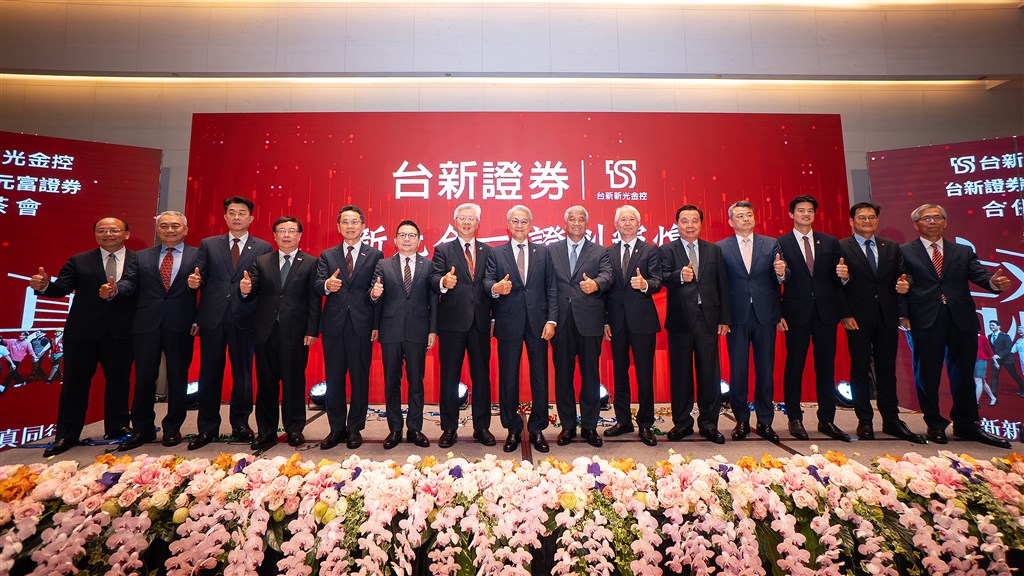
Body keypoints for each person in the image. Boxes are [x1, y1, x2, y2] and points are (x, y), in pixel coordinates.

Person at [898, 203, 1011, 448]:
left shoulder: (962, 251)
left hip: (961, 319)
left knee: (964, 373)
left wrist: (993, 283)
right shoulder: (904, 251)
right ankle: (935, 424)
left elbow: (981, 276)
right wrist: (903, 316)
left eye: (938, 217)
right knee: (927, 373)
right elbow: (899, 286)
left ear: (946, 222)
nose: (932, 222)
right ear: (916, 224)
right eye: (926, 218)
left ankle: (967, 423)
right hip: (924, 319)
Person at [29, 217, 138, 457]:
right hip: (83, 333)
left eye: (114, 229)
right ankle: (67, 433)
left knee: (119, 381)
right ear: (95, 234)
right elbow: (62, 288)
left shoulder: (138, 260)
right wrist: (45, 286)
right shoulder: (79, 260)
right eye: (102, 230)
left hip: (121, 332)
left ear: (127, 234)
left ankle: (117, 427)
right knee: (75, 384)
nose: (108, 234)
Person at [836, 202, 925, 443]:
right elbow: (836, 284)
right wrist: (844, 314)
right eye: (862, 218)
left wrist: (906, 284)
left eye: (871, 217)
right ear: (852, 221)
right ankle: (864, 420)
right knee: (860, 368)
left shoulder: (891, 247)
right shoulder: (841, 246)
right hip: (857, 318)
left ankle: (892, 419)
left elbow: (904, 275)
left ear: (877, 221)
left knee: (887, 370)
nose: (867, 221)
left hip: (886, 315)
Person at [189, 197, 273, 450]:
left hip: (245, 317)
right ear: (225, 217)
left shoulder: (263, 246)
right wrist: (194, 283)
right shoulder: (209, 244)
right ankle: (207, 427)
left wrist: (250, 289)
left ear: (251, 218)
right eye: (232, 213)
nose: (237, 217)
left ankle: (240, 423)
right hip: (213, 318)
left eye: (242, 213)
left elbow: (265, 283)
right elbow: (198, 276)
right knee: (209, 373)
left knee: (244, 374)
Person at [119, 211, 200, 451]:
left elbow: (210, 289)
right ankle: (142, 428)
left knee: (178, 377)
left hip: (182, 324)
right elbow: (129, 283)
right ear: (158, 230)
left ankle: (173, 428)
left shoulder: (199, 255)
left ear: (185, 229)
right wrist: (115, 290)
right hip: (146, 324)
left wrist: (199, 317)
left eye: (175, 226)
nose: (170, 230)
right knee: (144, 377)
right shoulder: (141, 257)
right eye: (164, 226)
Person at [240, 216, 322, 451]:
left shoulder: (310, 262)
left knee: (294, 382)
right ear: (274, 235)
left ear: (299, 236)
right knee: (266, 384)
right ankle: (266, 431)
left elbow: (314, 300)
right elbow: (252, 290)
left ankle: (294, 429)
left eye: (291, 231)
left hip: (296, 333)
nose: (286, 235)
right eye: (282, 231)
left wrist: (312, 329)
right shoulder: (262, 261)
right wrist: (245, 290)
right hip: (265, 332)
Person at [776, 195, 851, 442]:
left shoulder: (829, 242)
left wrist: (844, 277)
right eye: (800, 210)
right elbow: (776, 280)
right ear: (791, 214)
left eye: (810, 210)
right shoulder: (781, 242)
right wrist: (778, 314)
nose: (805, 214)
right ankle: (794, 418)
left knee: (825, 368)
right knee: (794, 366)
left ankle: (826, 419)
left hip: (825, 314)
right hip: (795, 314)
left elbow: (838, 279)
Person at [484, 204, 557, 454]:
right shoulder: (496, 253)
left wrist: (552, 320)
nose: (519, 225)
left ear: (530, 225)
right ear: (508, 224)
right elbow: (487, 281)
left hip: (538, 323)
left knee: (540, 377)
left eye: (524, 221)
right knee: (509, 378)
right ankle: (513, 428)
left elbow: (551, 288)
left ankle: (537, 428)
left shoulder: (543, 252)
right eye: (514, 221)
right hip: (508, 321)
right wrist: (496, 289)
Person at [660, 205, 731, 444]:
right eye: (684, 221)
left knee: (709, 373)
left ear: (701, 224)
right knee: (680, 374)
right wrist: (679, 276)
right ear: (677, 224)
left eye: (694, 221)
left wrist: (724, 318)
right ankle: (682, 423)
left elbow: (723, 285)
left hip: (708, 319)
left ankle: (709, 423)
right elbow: (660, 279)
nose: (689, 225)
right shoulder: (667, 250)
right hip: (680, 319)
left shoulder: (713, 250)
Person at [717, 200, 788, 442]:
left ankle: (766, 421)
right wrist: (723, 318)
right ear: (730, 222)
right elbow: (720, 286)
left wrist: (781, 272)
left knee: (765, 370)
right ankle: (741, 420)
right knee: (738, 371)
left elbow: (782, 275)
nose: (745, 219)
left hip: (765, 315)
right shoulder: (721, 248)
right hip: (736, 317)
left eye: (749, 215)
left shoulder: (770, 244)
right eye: (740, 216)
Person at [315, 205, 383, 450]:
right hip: (334, 325)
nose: (350, 226)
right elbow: (318, 284)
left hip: (361, 326)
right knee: (334, 380)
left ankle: (355, 428)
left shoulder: (374, 255)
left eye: (355, 222)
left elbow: (377, 291)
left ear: (363, 226)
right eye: (346, 222)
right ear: (338, 227)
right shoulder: (328, 255)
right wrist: (326, 285)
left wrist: (376, 324)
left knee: (359, 379)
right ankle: (336, 429)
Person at [429, 203, 495, 448]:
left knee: (481, 377)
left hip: (479, 323)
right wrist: (444, 281)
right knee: (449, 377)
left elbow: (493, 284)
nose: (467, 223)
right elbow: (433, 279)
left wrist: (493, 319)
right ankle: (448, 428)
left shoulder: (488, 251)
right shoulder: (443, 250)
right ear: (455, 221)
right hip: (452, 324)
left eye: (471, 219)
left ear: (478, 223)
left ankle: (482, 427)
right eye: (462, 218)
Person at [370, 220, 436, 450]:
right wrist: (374, 293)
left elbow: (433, 301)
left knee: (416, 381)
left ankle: (415, 428)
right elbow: (374, 293)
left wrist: (433, 329)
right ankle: (395, 428)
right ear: (395, 239)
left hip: (418, 330)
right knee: (391, 382)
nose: (407, 239)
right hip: (390, 330)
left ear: (419, 240)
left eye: (412, 235)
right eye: (402, 235)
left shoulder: (428, 265)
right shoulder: (383, 264)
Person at [549, 206, 612, 449]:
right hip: (561, 322)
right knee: (563, 376)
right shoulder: (551, 250)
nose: (576, 222)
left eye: (581, 219)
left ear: (587, 223)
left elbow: (609, 276)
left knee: (590, 376)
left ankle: (589, 426)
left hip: (589, 322)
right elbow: (548, 285)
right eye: (572, 219)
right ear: (565, 223)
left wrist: (595, 284)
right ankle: (567, 426)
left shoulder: (599, 251)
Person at [603, 205, 663, 446]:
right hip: (616, 322)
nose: (627, 223)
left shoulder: (650, 250)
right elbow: (605, 290)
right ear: (616, 225)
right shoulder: (607, 252)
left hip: (643, 322)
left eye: (631, 219)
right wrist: (605, 320)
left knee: (644, 373)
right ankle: (623, 420)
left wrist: (645, 284)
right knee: (620, 373)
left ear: (639, 224)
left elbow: (658, 281)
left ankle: (646, 423)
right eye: (623, 219)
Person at [987, 319, 1023, 404]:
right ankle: (994, 396)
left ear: (998, 326)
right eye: (990, 325)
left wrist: (999, 355)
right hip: (996, 360)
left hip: (1007, 359)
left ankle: (1022, 388)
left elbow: (1008, 348)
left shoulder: (1005, 336)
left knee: (1014, 375)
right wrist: (993, 357)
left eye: (993, 325)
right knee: (994, 377)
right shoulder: (989, 336)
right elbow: (990, 348)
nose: (991, 327)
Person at [975, 332, 997, 405]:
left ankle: (976, 402)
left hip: (980, 361)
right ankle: (993, 397)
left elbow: (989, 350)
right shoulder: (966, 338)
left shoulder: (982, 338)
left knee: (978, 380)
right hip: (970, 361)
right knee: (982, 381)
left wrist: (996, 362)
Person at [1011, 326, 1024, 398]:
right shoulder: (1018, 340)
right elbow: (1012, 350)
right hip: (1022, 362)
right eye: (1018, 331)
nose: (1019, 332)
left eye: (1021, 330)